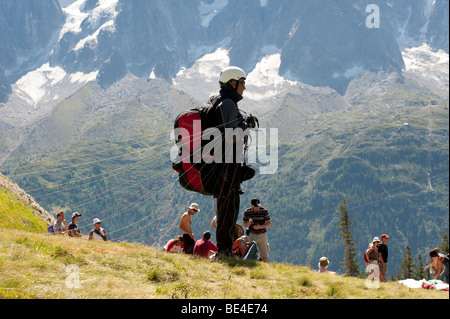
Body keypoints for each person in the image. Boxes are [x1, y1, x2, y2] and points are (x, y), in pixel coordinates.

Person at [207, 66, 256, 256]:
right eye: (242, 83)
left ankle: (225, 249)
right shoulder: (227, 103)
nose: (244, 88)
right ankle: (224, 250)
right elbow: (232, 135)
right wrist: (246, 125)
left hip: (223, 164)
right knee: (228, 207)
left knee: (228, 205)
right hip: (226, 165)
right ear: (232, 83)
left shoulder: (221, 101)